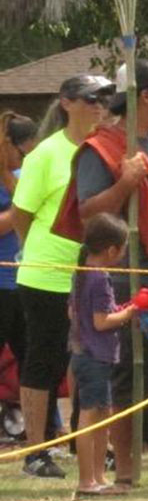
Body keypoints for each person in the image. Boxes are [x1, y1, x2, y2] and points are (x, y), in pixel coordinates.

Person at [60, 61, 148, 486]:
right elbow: (89, 214)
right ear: (144, 95)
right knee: (132, 377)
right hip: (132, 274)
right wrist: (125, 183)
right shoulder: (100, 148)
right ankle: (125, 468)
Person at [12, 75, 106, 478]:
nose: (100, 105)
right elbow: (22, 215)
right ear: (67, 103)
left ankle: (80, 439)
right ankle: (36, 451)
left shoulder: (102, 148)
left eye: (105, 98)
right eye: (91, 98)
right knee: (43, 362)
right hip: (46, 275)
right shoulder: (46, 154)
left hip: (91, 275)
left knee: (88, 361)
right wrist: (38, 253)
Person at [68, 214, 136, 497]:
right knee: (90, 417)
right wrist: (130, 312)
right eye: (123, 249)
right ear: (111, 250)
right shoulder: (99, 278)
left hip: (89, 355)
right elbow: (101, 321)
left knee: (102, 417)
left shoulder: (82, 272)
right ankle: (86, 481)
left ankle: (98, 477)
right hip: (94, 357)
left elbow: (74, 312)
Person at [0, 113, 39, 439]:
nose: (25, 156)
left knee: (33, 362)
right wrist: (19, 212)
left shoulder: (26, 175)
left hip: (27, 282)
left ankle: (43, 432)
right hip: (1, 284)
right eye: (22, 150)